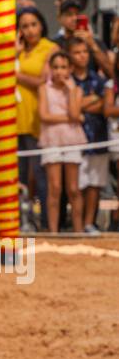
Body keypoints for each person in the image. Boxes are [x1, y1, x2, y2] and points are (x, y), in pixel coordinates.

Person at [15, 7, 57, 223]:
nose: (30, 30)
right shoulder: (18, 51)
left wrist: (14, 74)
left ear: (41, 25)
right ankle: (21, 221)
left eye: (33, 24)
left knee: (40, 175)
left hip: (37, 119)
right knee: (17, 177)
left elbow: (43, 80)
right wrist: (12, 54)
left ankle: (48, 222)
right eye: (24, 26)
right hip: (14, 120)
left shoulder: (50, 48)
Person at [37, 50, 86, 234]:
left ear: (71, 69)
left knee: (73, 189)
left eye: (63, 67)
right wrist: (72, 118)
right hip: (51, 140)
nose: (59, 71)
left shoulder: (77, 90)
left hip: (72, 139)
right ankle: (53, 232)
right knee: (55, 188)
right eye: (55, 67)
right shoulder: (43, 89)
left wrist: (72, 91)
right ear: (50, 68)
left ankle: (79, 231)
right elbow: (44, 116)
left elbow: (75, 113)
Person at [67, 33, 111, 235]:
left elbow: (105, 106)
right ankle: (76, 223)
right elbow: (70, 110)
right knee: (77, 186)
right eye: (77, 52)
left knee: (95, 183)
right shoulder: (66, 80)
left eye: (85, 52)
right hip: (74, 138)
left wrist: (82, 104)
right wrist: (91, 100)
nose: (82, 56)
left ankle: (89, 223)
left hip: (98, 136)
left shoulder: (98, 79)